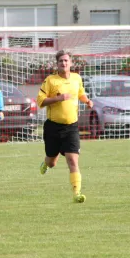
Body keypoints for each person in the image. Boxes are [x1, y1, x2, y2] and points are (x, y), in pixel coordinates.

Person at [37, 50, 93, 203]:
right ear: (57, 63)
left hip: (71, 127)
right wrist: (58, 98)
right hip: (53, 127)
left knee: (72, 161)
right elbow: (40, 101)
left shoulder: (76, 78)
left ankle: (77, 193)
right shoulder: (50, 80)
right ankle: (46, 164)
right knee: (52, 162)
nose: (64, 63)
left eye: (66, 60)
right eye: (61, 61)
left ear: (70, 63)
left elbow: (80, 93)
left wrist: (87, 101)